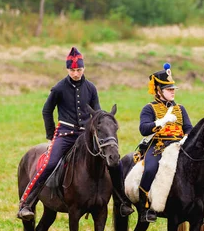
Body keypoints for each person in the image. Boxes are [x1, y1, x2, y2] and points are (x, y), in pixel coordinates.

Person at [17, 47, 133, 220]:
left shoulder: (91, 88)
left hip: (86, 136)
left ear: (83, 69)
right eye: (72, 70)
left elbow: (97, 113)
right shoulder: (59, 88)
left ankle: (123, 201)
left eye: (79, 70)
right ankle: (26, 203)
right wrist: (50, 135)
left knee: (113, 162)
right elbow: (46, 111)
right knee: (50, 163)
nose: (76, 73)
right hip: (65, 135)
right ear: (67, 70)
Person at [138, 63, 193, 222]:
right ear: (158, 91)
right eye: (169, 89)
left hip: (179, 146)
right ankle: (145, 207)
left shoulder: (180, 108)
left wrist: (185, 138)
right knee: (150, 169)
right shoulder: (149, 108)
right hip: (159, 146)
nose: (173, 91)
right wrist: (161, 122)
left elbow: (189, 127)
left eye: (173, 89)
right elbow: (143, 129)